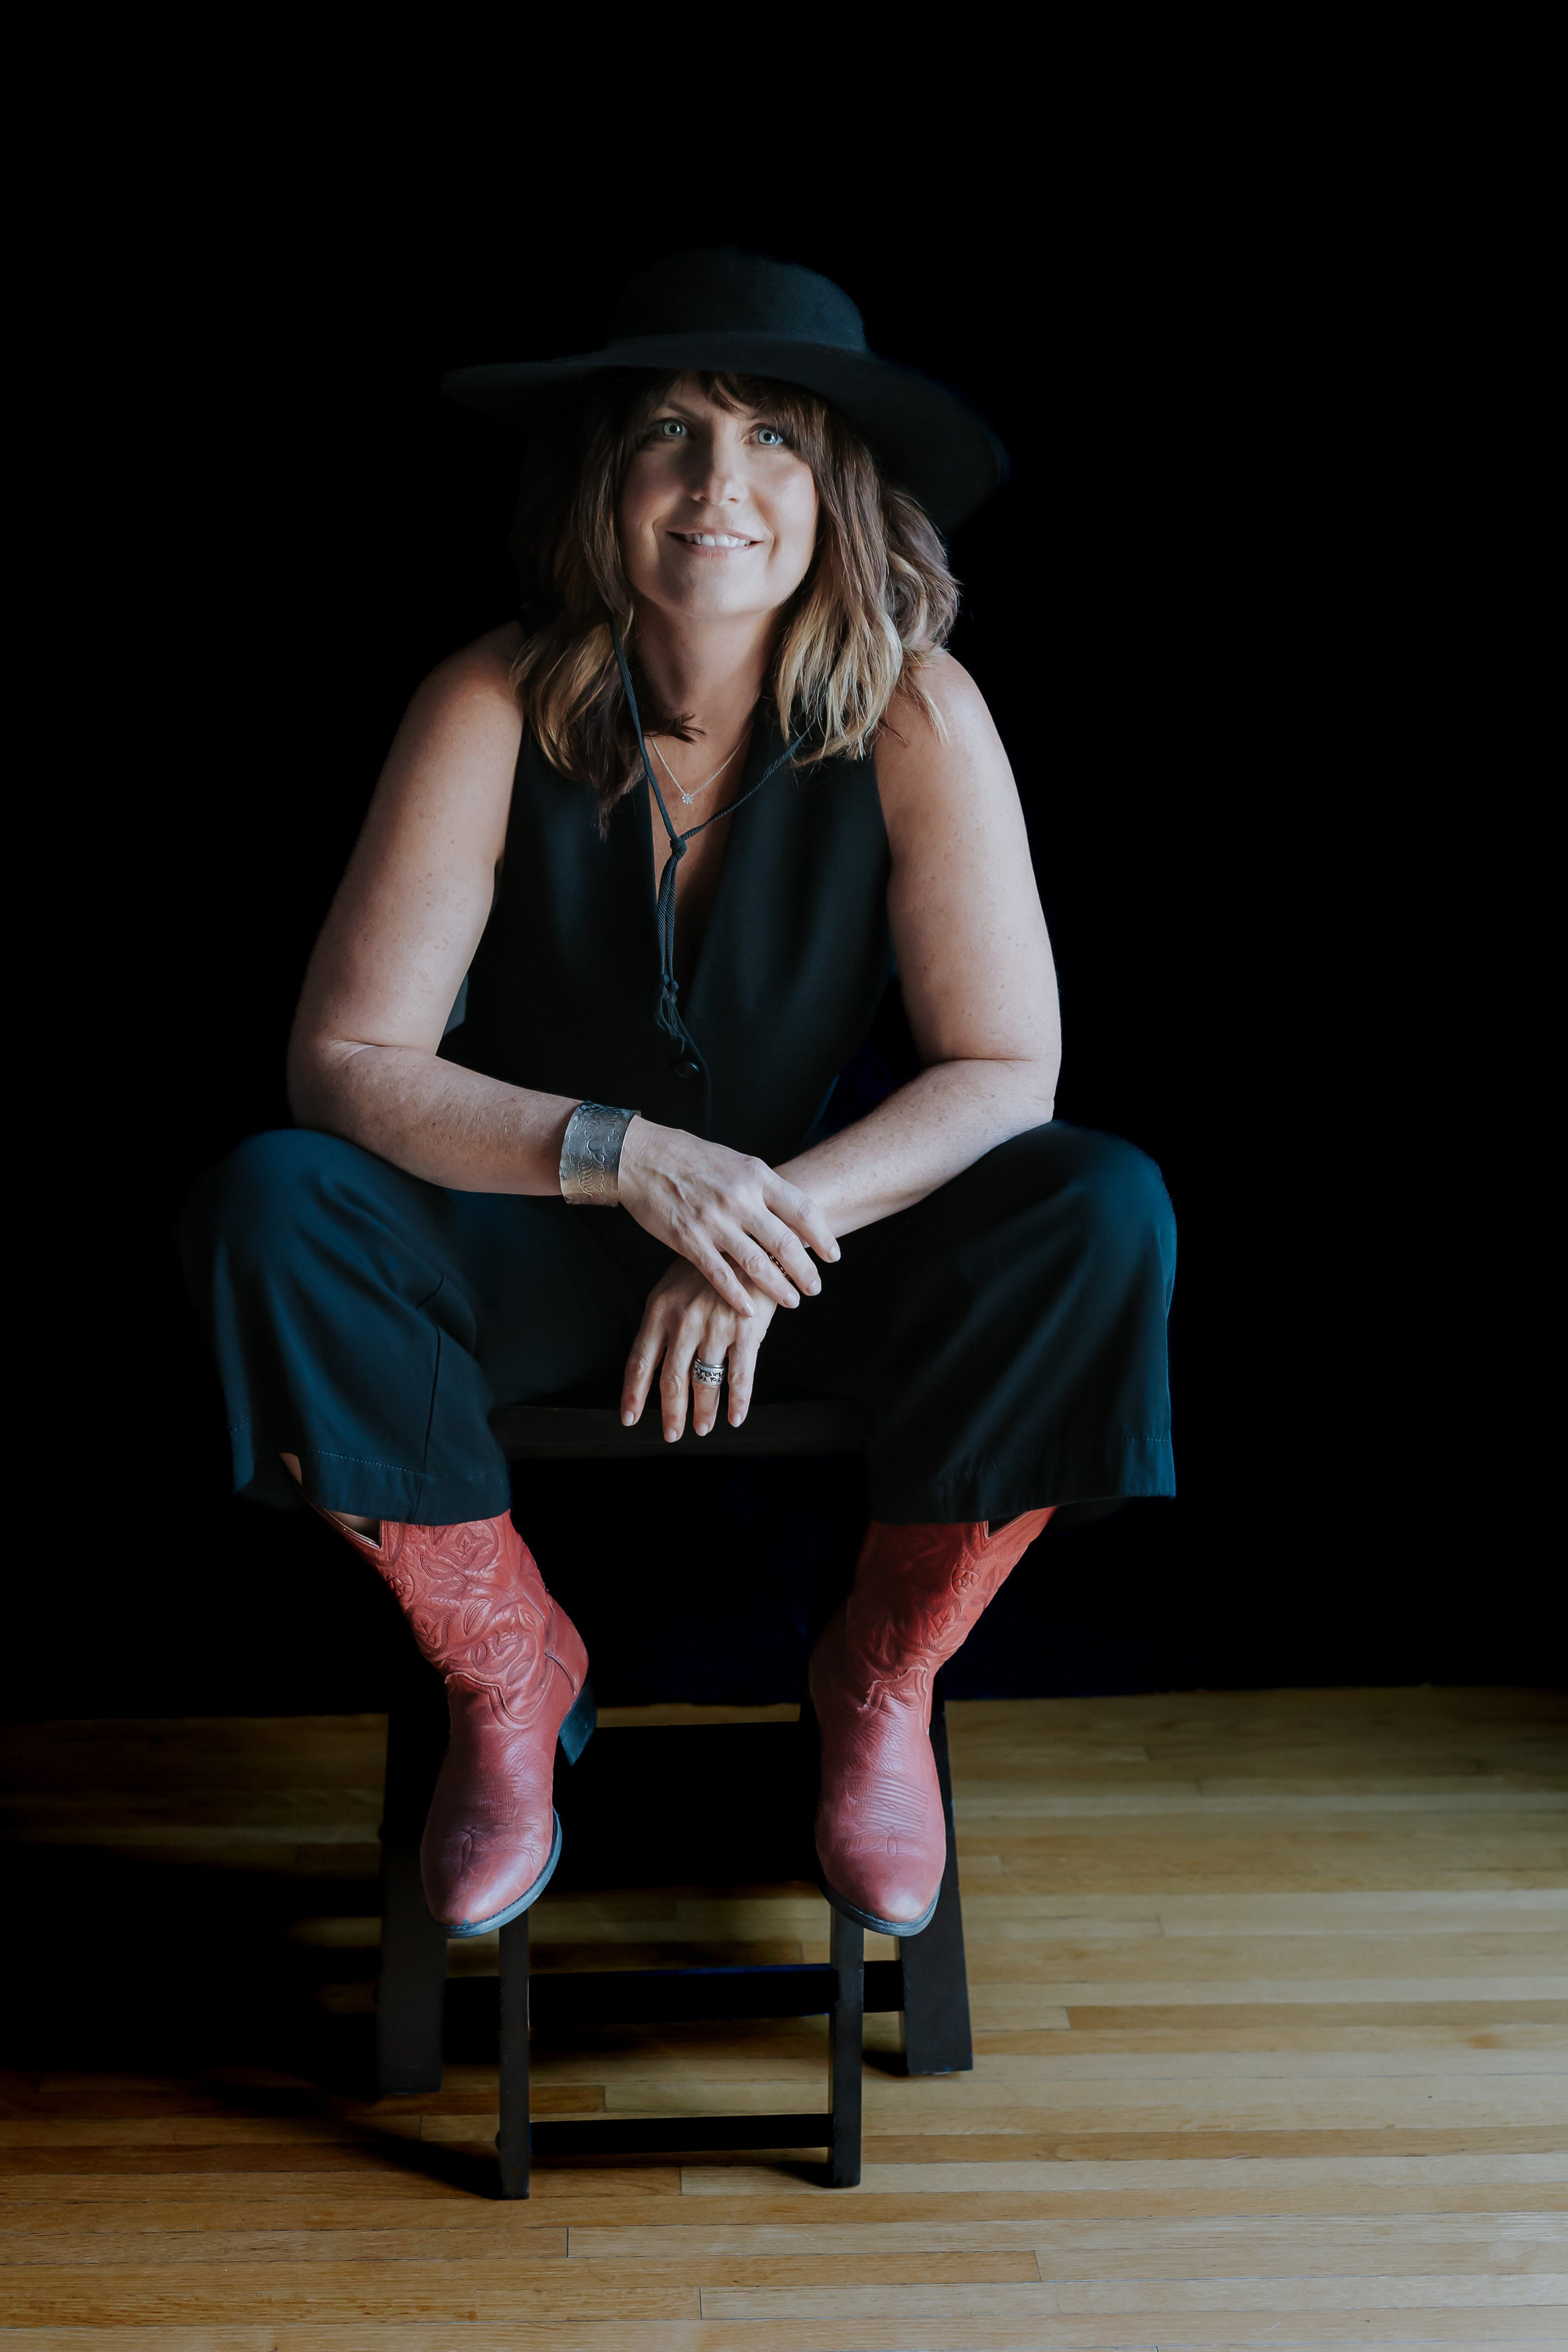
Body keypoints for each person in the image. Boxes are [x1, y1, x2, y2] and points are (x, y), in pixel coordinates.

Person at [183, 248, 1175, 1947]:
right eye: (674, 435)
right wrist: (626, 1160)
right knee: (270, 1202)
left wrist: (759, 1222)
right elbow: (346, 1063)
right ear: (607, 480)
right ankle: (511, 1675)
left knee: (1103, 1206)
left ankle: (878, 1679)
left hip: (813, 1263)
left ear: (837, 489)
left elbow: (1011, 1069)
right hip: (529, 1252)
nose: (724, 486)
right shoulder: (488, 697)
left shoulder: (921, 709)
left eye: (777, 439)